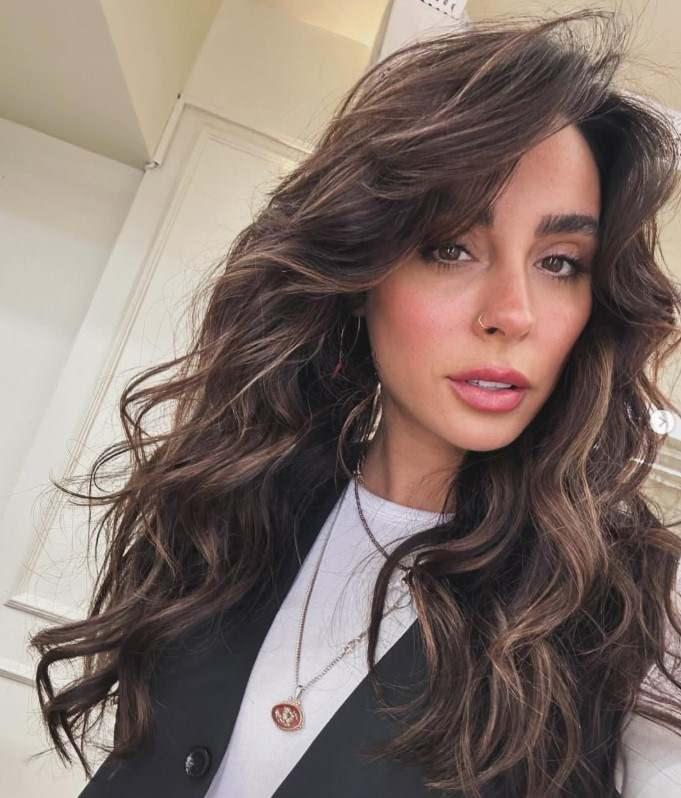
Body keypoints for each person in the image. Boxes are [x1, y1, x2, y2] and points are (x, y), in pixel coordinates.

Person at [29, 9, 681, 797]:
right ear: (362, 267)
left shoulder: (633, 611)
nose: (513, 313)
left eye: (558, 262)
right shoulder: (231, 504)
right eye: (450, 247)